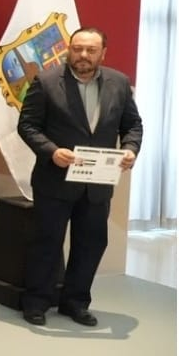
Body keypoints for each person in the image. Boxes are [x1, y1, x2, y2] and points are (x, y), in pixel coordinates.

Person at [17, 27, 142, 326]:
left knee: (91, 244)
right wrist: (51, 151)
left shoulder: (119, 83)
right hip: (54, 180)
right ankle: (36, 301)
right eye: (77, 48)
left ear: (103, 53)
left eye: (90, 50)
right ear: (69, 50)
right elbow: (27, 125)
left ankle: (75, 302)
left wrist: (129, 149)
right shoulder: (46, 81)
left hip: (97, 183)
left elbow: (133, 125)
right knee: (47, 243)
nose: (83, 55)